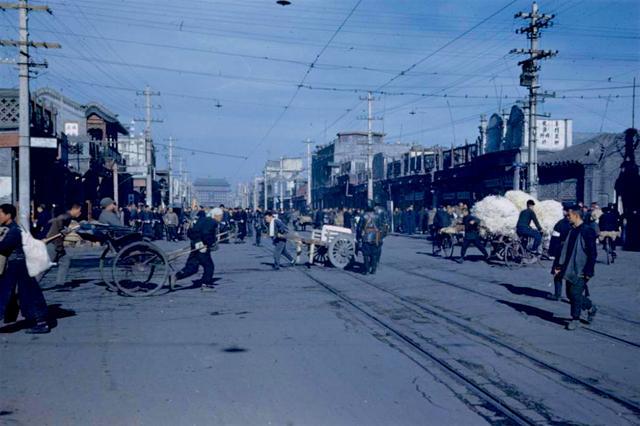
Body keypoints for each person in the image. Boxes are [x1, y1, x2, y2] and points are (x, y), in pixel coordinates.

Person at [0, 204, 50, 333]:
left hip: (19, 265)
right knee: (14, 293)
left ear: (8, 215)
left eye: (0, 213)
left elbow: (3, 246)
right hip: (16, 265)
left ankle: (41, 322)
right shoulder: (9, 228)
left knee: (28, 293)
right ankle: (39, 321)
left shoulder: (14, 230)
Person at [554, 205, 598, 331]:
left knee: (575, 293)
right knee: (570, 294)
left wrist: (589, 270)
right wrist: (559, 266)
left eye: (569, 215)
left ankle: (575, 319)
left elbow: (592, 253)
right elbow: (566, 251)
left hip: (581, 268)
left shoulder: (587, 231)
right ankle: (590, 307)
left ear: (576, 215)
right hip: (569, 267)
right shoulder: (572, 230)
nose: (567, 217)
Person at [171, 208, 220, 290]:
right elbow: (206, 234)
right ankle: (206, 284)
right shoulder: (210, 221)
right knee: (209, 266)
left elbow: (190, 232)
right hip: (202, 246)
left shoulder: (198, 220)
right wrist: (210, 243)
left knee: (192, 267)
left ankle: (176, 276)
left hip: (195, 244)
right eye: (220, 216)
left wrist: (196, 242)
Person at [44, 203, 83, 287]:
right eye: (79, 211)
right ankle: (32, 284)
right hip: (53, 244)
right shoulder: (63, 218)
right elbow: (55, 233)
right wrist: (59, 247)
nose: (80, 213)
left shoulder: (66, 218)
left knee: (65, 261)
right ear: (74, 209)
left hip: (56, 243)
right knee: (45, 266)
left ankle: (60, 283)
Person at [548, 206, 573, 300]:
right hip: (573, 251)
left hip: (561, 250)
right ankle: (571, 296)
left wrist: (552, 253)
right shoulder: (577, 224)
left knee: (558, 273)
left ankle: (557, 294)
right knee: (570, 273)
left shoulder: (560, 224)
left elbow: (554, 239)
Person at [357, 206, 384, 275]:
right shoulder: (377, 216)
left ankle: (367, 270)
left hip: (366, 237)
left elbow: (359, 227)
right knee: (374, 254)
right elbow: (381, 227)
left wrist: (359, 237)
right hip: (375, 237)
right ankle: (373, 269)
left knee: (365, 255)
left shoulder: (363, 216)